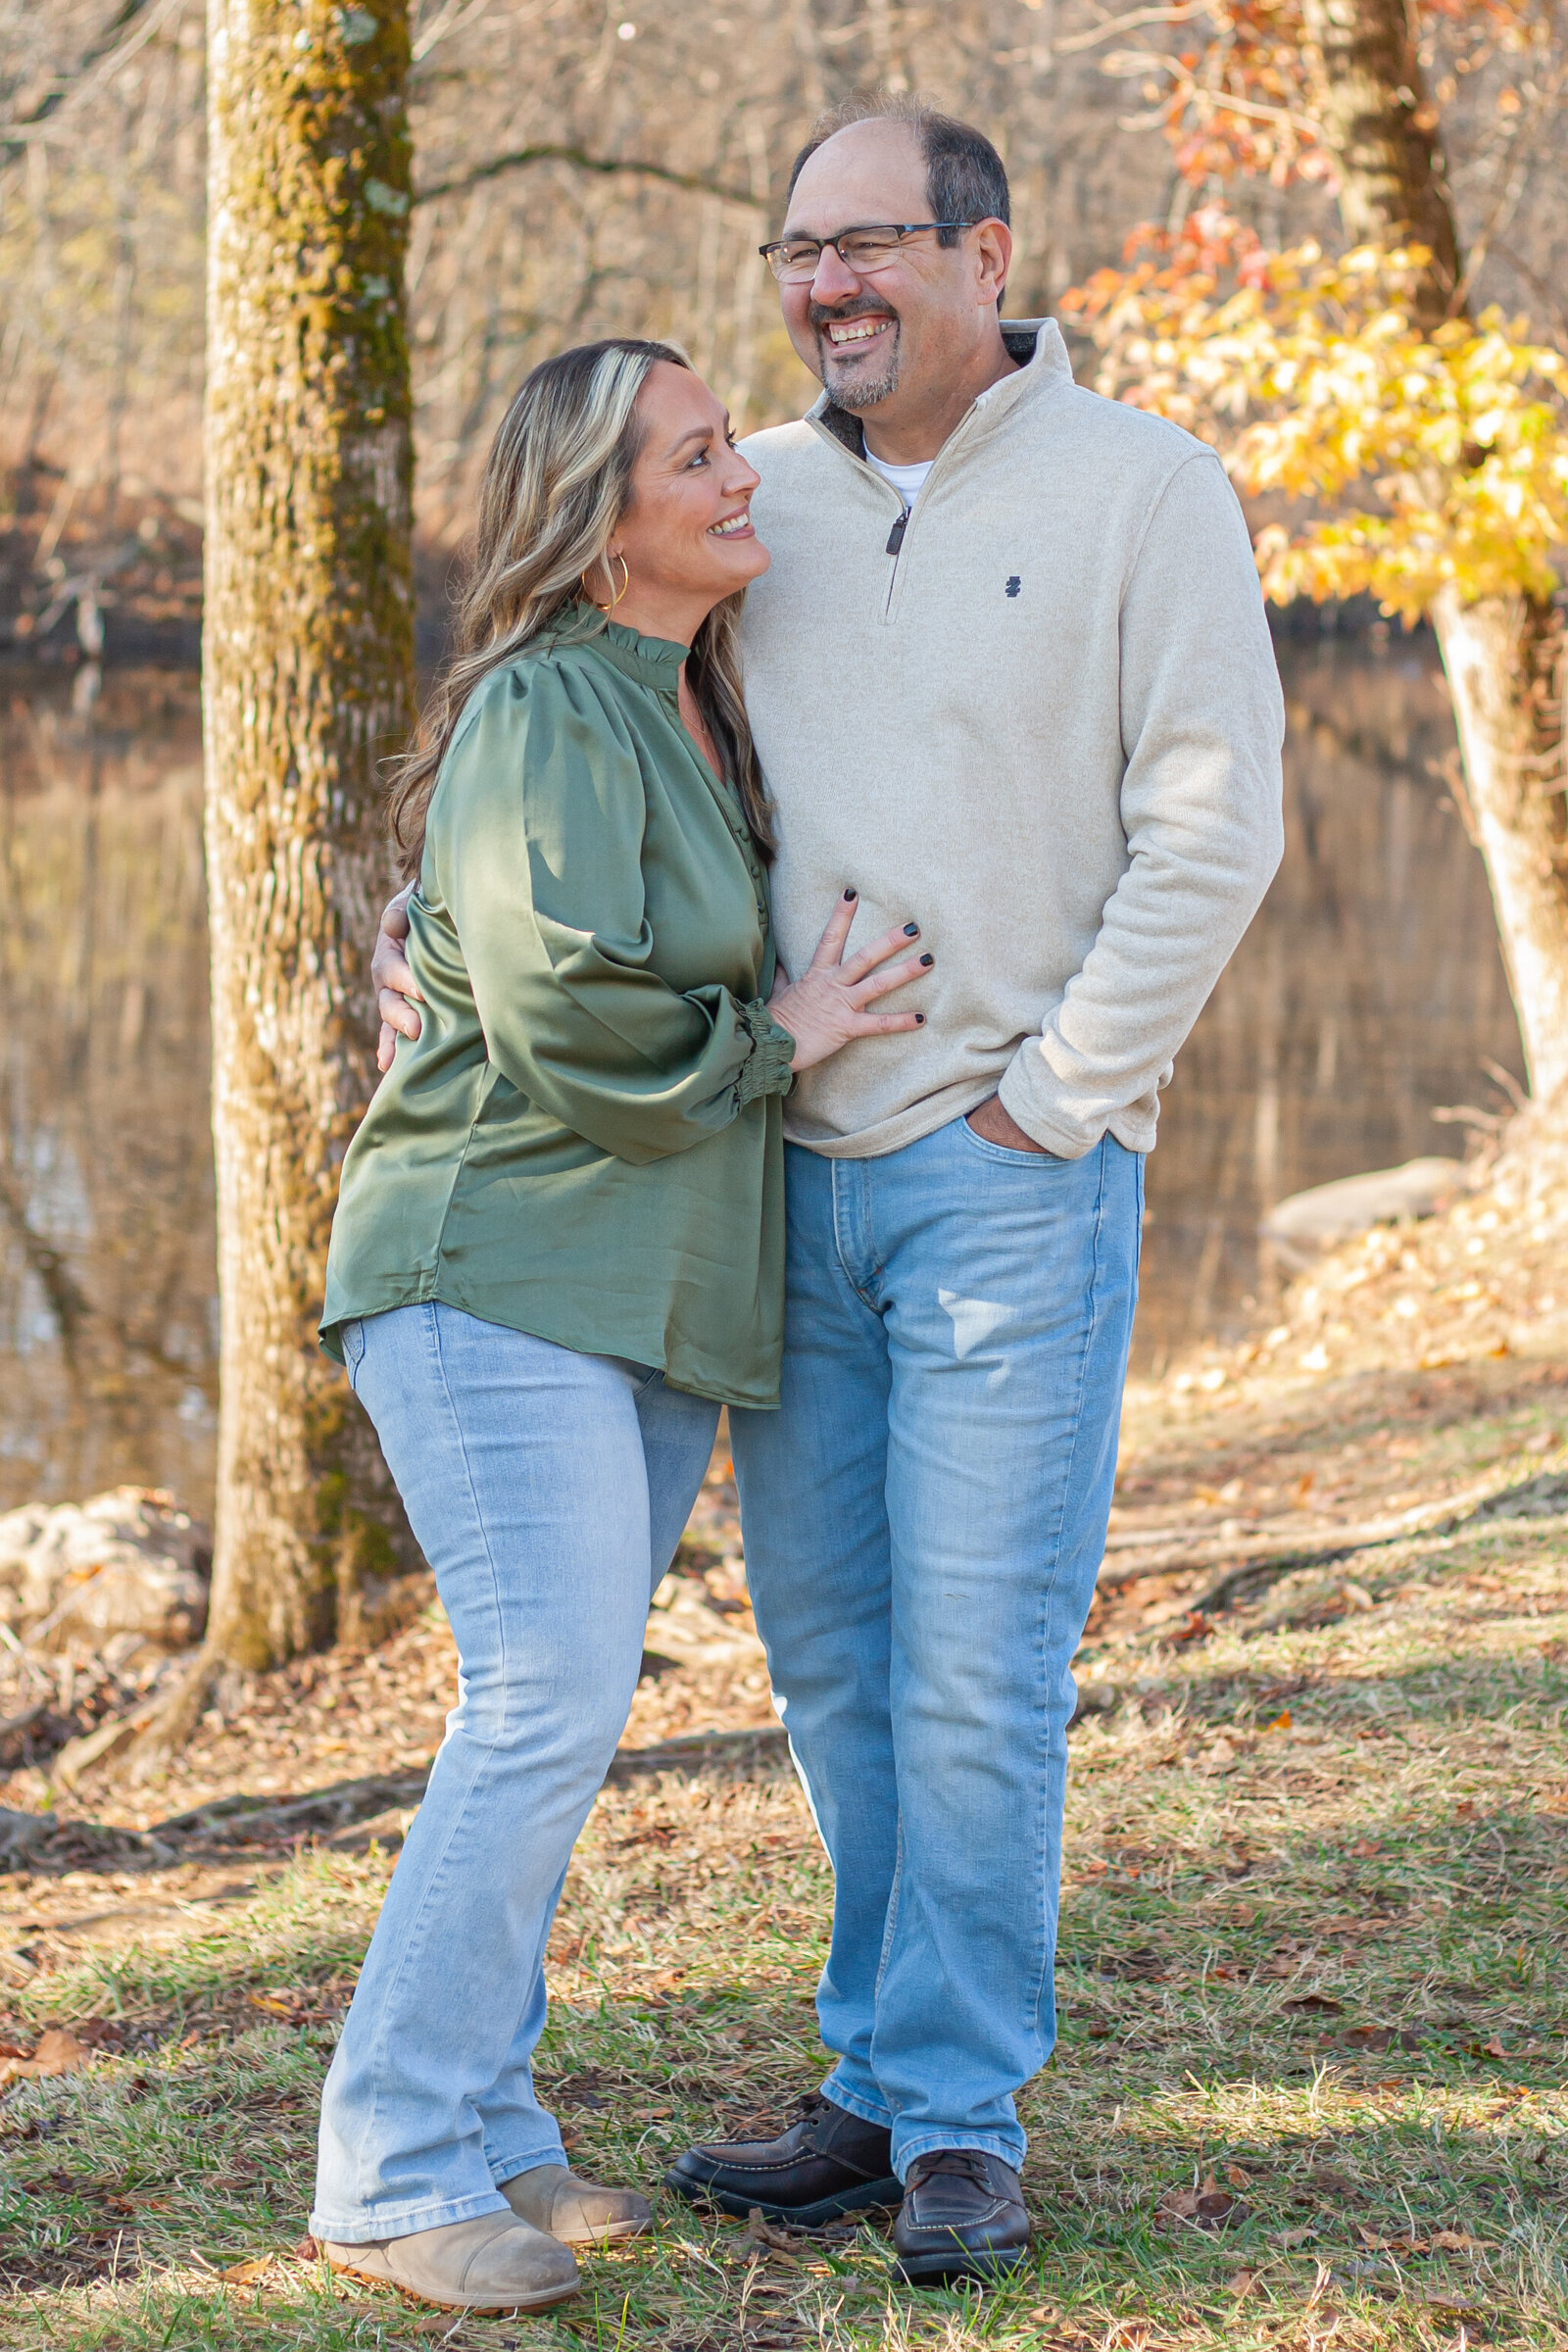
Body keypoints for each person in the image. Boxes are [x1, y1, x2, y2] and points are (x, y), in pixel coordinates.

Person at [374, 100, 1285, 2287]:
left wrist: (1055, 1101)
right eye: (794, 250)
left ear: (984, 255)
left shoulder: (1141, 494)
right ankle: (873, 2080)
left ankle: (955, 2111)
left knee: (974, 1670)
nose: (820, 287)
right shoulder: (747, 499)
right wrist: (431, 917)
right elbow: (573, 710)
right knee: (836, 1667)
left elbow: (1212, 831)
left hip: (1000, 1179)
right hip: (771, 1183)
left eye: (866, 245)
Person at [313, 335, 931, 2316]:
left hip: (628, 1292)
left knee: (558, 1713)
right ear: (595, 525)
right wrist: (786, 1037)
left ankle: (487, 2122)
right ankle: (392, 2163)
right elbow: (573, 1005)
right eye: (692, 455)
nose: (737, 473)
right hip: (490, 1264)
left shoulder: (678, 704)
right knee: (537, 1701)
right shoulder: (553, 705)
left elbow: (497, 940)